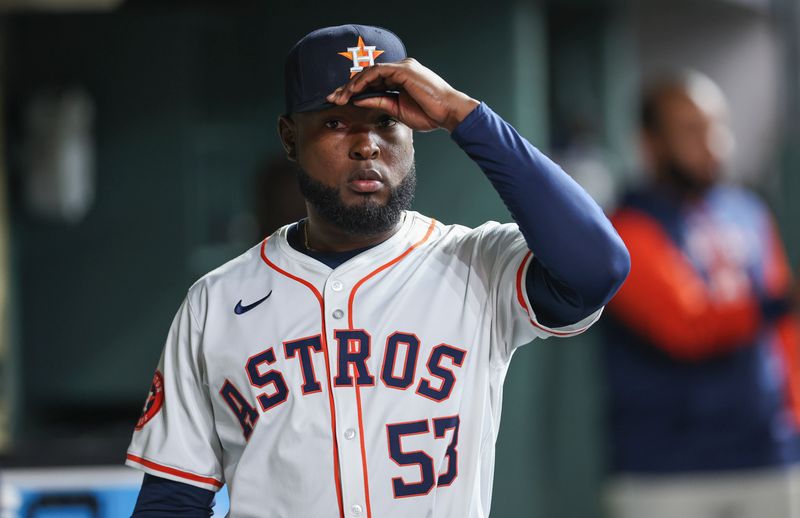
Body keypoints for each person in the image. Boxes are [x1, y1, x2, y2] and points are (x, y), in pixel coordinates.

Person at [125, 24, 629, 517]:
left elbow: (598, 269)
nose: (367, 145)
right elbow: (172, 500)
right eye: (336, 123)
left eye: (387, 121)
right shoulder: (215, 302)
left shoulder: (478, 262)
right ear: (289, 137)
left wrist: (462, 114)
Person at [603, 71, 800, 518]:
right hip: (668, 469)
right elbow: (686, 326)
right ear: (650, 141)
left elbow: (785, 333)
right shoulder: (626, 226)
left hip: (767, 454)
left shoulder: (747, 210)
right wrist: (781, 300)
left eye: (716, 126)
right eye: (691, 129)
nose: (711, 143)